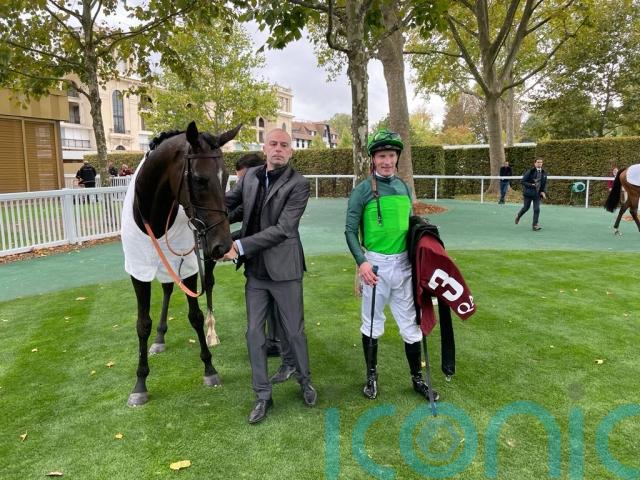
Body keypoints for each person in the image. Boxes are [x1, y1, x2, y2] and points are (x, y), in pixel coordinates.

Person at [221, 129, 317, 424]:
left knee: (294, 332)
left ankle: (305, 381)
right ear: (264, 148)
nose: (278, 149)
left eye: (284, 145)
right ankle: (263, 395)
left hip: (285, 270)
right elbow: (229, 205)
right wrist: (198, 207)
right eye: (273, 144)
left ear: (291, 152)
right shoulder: (250, 176)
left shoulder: (299, 184)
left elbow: (283, 229)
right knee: (254, 333)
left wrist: (238, 246)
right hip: (256, 272)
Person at [345, 128, 438, 402]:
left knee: (411, 324)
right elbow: (349, 231)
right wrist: (362, 263)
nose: (387, 161)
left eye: (391, 156)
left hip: (404, 266)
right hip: (374, 267)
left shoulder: (404, 187)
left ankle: (417, 379)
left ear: (397, 157)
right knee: (372, 324)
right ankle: (371, 378)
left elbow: (409, 225)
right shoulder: (362, 191)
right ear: (373, 159)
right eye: (381, 156)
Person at [232, 153, 289, 360]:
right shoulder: (252, 193)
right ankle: (274, 342)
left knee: (276, 302)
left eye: (243, 179)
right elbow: (234, 213)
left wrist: (232, 242)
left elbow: (260, 231)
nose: (241, 185)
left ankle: (280, 344)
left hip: (276, 257)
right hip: (257, 258)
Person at [515, 157, 547, 231]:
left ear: (542, 163)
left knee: (537, 209)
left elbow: (544, 184)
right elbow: (523, 181)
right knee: (526, 208)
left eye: (541, 162)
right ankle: (518, 216)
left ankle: (535, 225)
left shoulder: (544, 173)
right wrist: (531, 185)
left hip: (537, 195)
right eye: (538, 162)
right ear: (535, 163)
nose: (539, 163)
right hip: (528, 194)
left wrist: (543, 191)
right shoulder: (530, 171)